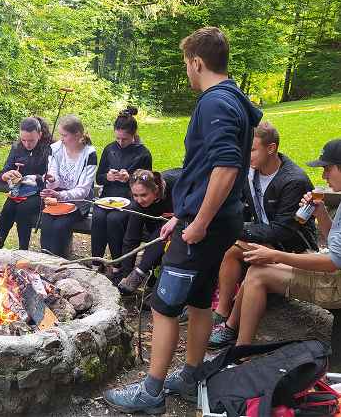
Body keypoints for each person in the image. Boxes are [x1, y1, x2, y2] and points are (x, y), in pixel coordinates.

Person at [103, 27, 262, 414]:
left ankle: (152, 393)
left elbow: (225, 168)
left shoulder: (214, 103)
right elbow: (210, 169)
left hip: (210, 224)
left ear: (196, 62)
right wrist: (185, 215)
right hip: (217, 219)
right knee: (198, 300)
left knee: (164, 304)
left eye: (186, 65)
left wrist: (200, 222)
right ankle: (191, 377)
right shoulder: (237, 98)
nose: (186, 73)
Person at [208, 139, 341, 349]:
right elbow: (334, 240)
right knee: (252, 265)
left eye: (327, 169)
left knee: (258, 273)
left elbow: (334, 261)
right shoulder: (251, 174)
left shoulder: (292, 179)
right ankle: (235, 336)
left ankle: (240, 347)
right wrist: (321, 213)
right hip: (330, 271)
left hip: (334, 281)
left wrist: (276, 256)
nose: (324, 176)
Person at [209, 121, 317, 329]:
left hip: (293, 247)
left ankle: (230, 324)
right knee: (223, 244)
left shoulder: (293, 180)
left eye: (251, 149)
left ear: (271, 148)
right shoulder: (250, 172)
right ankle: (221, 310)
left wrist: (239, 231)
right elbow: (240, 204)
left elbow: (283, 230)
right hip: (263, 238)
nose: (246, 155)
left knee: (233, 246)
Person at [91, 107, 152, 280]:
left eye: (124, 139)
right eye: (117, 137)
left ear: (134, 134)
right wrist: (108, 177)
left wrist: (131, 178)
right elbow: (100, 177)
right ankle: (96, 262)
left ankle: (117, 264)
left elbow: (147, 181)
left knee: (114, 219)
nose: (120, 142)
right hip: (109, 196)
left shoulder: (143, 153)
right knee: (98, 216)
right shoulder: (110, 149)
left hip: (130, 198)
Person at [40, 115, 97, 258]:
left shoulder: (89, 154)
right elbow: (53, 175)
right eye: (60, 135)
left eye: (64, 135)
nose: (61, 139)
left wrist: (60, 195)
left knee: (60, 226)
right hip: (57, 199)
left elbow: (83, 190)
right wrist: (51, 180)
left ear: (77, 135)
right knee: (46, 223)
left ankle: (58, 261)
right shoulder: (56, 148)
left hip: (79, 202)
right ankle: (44, 259)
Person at [0, 117, 52, 250]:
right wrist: (5, 175)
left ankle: (23, 249)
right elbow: (4, 171)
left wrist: (35, 178)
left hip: (39, 194)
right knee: (7, 209)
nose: (27, 144)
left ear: (40, 135)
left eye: (31, 140)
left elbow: (51, 177)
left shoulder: (49, 149)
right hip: (19, 192)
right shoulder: (17, 147)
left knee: (23, 209)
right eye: (23, 140)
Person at [117, 169, 178, 295]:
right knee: (155, 234)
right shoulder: (138, 204)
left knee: (162, 233)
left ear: (155, 191)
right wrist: (126, 273)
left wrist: (176, 217)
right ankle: (137, 276)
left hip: (180, 216)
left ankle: (143, 274)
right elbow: (131, 239)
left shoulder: (175, 186)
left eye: (144, 195)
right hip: (157, 216)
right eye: (135, 195)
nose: (139, 200)